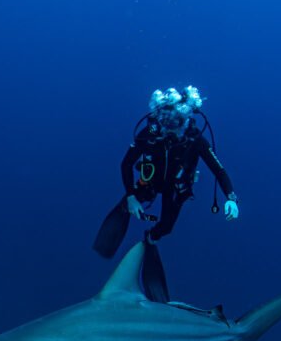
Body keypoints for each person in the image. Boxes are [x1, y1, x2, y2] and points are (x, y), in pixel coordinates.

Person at [93, 86, 239, 302]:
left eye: (176, 125)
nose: (170, 131)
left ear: (186, 120)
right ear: (160, 120)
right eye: (166, 124)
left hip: (176, 189)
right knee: (125, 205)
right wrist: (132, 197)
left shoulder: (195, 139)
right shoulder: (151, 133)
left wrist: (231, 198)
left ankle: (150, 240)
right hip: (148, 184)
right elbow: (126, 164)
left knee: (166, 227)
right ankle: (111, 240)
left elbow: (219, 170)